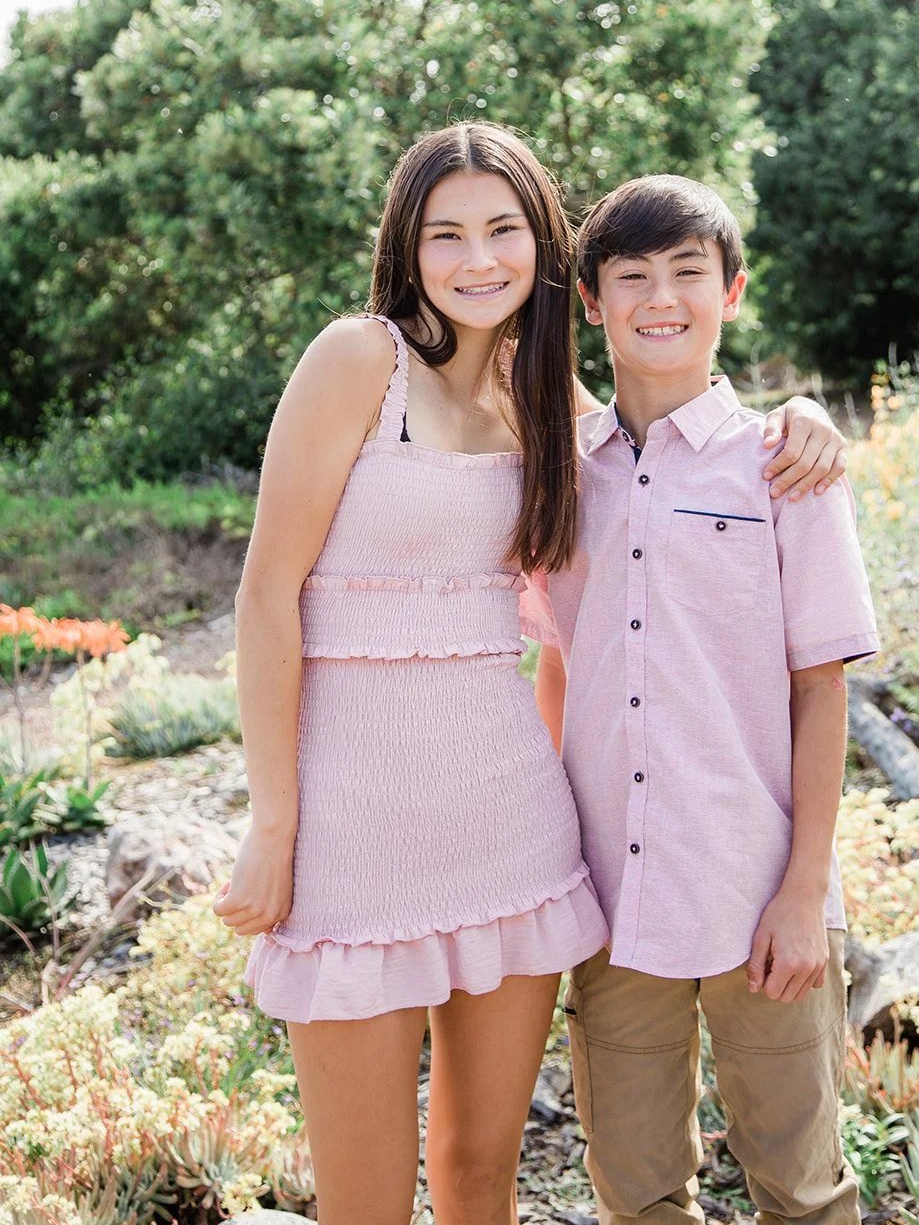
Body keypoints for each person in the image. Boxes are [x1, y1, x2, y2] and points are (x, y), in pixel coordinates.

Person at [212, 125, 849, 1225]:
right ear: (405, 247)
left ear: (542, 251)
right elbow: (267, 594)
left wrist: (803, 417)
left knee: (477, 1175)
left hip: (513, 823)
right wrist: (274, 823)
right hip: (353, 826)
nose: (476, 259)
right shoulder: (357, 359)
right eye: (445, 232)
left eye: (503, 229)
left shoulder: (545, 401)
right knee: (362, 1202)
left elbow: (672, 444)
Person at [530, 174, 880, 1225]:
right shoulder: (560, 474)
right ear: (590, 300)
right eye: (630, 276)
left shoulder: (783, 467)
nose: (660, 298)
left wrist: (802, 890)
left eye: (688, 272)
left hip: (753, 885)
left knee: (802, 1187)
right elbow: (556, 665)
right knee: (634, 1192)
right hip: (608, 894)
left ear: (731, 290)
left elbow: (820, 691)